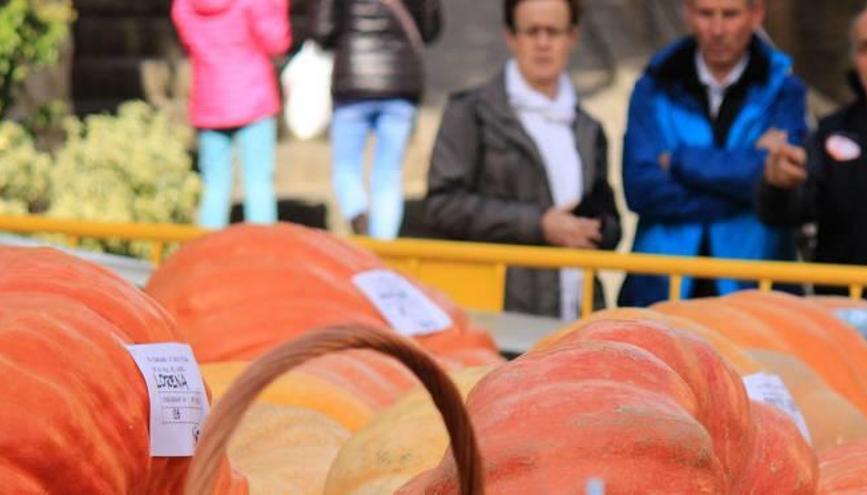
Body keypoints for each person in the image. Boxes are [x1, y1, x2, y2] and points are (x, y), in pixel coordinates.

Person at [424, 0, 622, 320]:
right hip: (500, 319)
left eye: (553, 32)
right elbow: (442, 205)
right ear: (510, 37)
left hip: (578, 317)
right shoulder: (470, 113)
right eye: (532, 32)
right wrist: (540, 225)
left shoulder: (589, 128)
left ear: (572, 36)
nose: (543, 43)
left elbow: (609, 218)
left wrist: (595, 229)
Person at [618, 0, 808, 307]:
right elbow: (641, 189)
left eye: (730, 14)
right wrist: (746, 184)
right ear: (687, 13)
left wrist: (681, 160)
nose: (718, 29)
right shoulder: (651, 87)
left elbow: (784, 181)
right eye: (706, 13)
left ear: (756, 14)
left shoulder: (786, 89)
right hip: (660, 291)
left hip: (757, 296)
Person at [759, 1, 867, 301]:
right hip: (847, 319)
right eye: (866, 48)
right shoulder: (831, 132)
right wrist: (778, 185)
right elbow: (791, 212)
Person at [311, 0, 442, 239]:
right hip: (400, 82)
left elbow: (322, 31)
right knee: (389, 173)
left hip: (352, 80)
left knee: (346, 165)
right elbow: (430, 29)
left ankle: (357, 212)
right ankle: (385, 246)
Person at [172, 0, 292, 229]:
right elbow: (277, 42)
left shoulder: (186, 4)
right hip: (253, 98)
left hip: (211, 99)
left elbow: (188, 40)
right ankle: (262, 251)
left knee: (214, 187)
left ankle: (208, 252)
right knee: (258, 184)